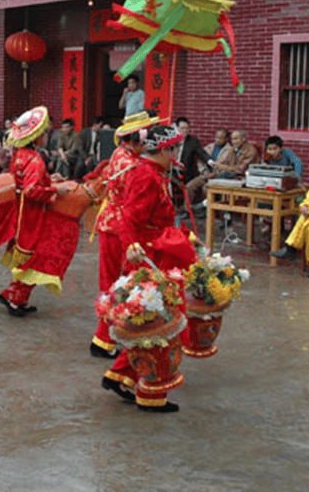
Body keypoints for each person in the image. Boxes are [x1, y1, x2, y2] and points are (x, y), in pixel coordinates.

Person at [102, 124, 197, 413]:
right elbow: (129, 218)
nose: (176, 156)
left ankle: (121, 374)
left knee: (153, 320)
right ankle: (151, 394)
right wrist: (132, 246)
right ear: (165, 150)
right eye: (174, 150)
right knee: (161, 322)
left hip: (158, 250)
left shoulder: (151, 173)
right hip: (152, 256)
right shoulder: (146, 176)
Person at [91, 111, 159, 358]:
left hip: (109, 223)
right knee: (120, 283)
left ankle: (104, 338)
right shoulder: (134, 166)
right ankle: (109, 337)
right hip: (122, 228)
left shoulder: (119, 153)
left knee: (110, 281)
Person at [0, 106, 74, 316]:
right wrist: (55, 189)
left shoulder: (21, 154)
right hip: (32, 214)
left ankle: (16, 297)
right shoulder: (35, 160)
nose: (47, 136)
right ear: (37, 136)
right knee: (35, 258)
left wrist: (49, 179)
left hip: (19, 211)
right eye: (45, 132)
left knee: (27, 258)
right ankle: (14, 296)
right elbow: (32, 190)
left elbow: (24, 181)